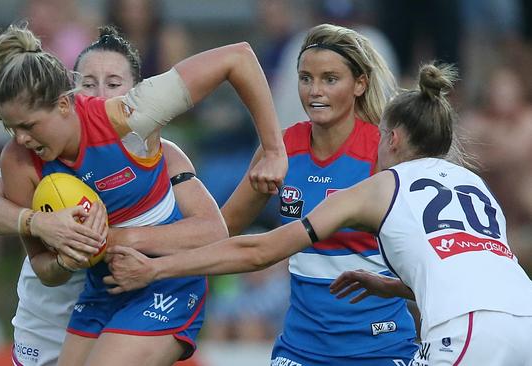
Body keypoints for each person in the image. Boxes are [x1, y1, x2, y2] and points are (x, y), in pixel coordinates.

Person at [106, 63, 532, 365]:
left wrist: (156, 271)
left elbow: (260, 251)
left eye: (381, 136)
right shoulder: (475, 187)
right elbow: (476, 276)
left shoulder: (380, 185)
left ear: (395, 138)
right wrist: (392, 287)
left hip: (464, 333)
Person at [0, 23, 286, 366]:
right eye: (89, 83)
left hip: (160, 282)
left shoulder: (133, 118)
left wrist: (273, 150)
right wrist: (44, 229)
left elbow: (237, 57)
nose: (19, 138)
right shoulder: (24, 155)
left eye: (113, 83)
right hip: (93, 291)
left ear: (65, 104)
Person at [178, 23, 420, 365]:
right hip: (301, 349)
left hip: (381, 347)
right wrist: (152, 249)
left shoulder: (383, 152)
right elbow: (222, 230)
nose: (314, 91)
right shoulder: (279, 149)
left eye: (330, 79)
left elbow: (424, 254)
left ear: (360, 84)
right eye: (305, 78)